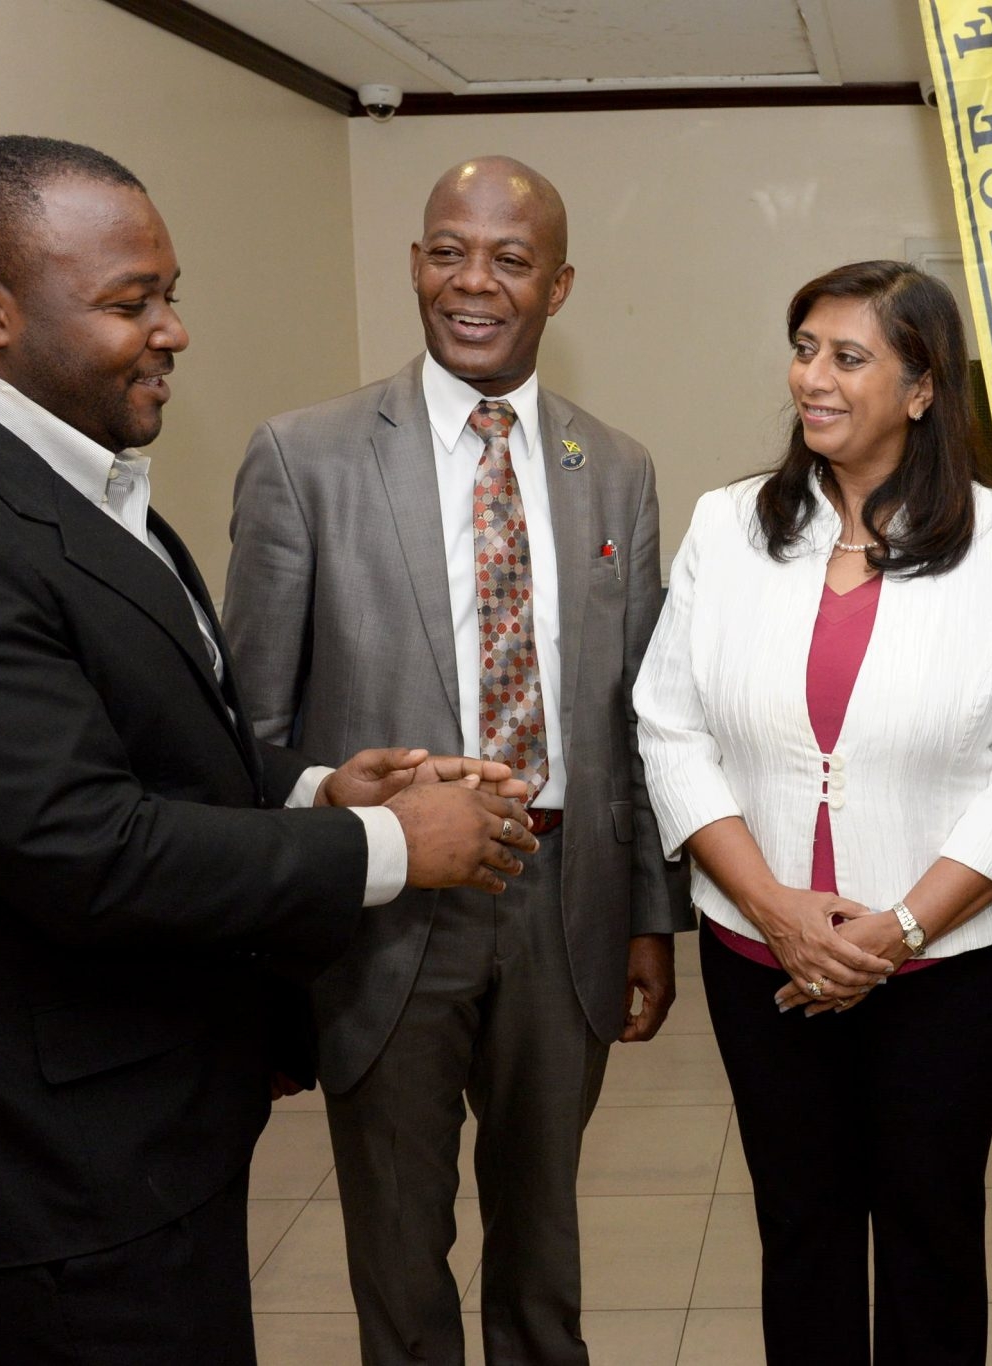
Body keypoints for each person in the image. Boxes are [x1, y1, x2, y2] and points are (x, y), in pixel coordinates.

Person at [0, 135, 534, 1366]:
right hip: (34, 1180)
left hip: (137, 1135)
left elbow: (150, 747)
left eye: (171, 293)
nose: (173, 331)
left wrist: (313, 786)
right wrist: (387, 843)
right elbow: (85, 848)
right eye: (130, 302)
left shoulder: (71, 481)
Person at [223, 154, 689, 1366]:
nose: (472, 282)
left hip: (563, 899)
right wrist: (269, 943)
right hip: (386, 907)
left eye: (509, 259)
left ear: (558, 286)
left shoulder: (617, 467)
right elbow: (247, 733)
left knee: (543, 1246)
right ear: (415, 264)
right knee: (397, 1248)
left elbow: (637, 716)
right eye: (446, 251)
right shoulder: (305, 456)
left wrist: (649, 915)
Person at [633, 259, 992, 1365]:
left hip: (945, 973)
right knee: (801, 1232)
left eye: (848, 357)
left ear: (922, 389)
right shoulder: (728, 526)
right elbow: (669, 725)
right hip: (762, 962)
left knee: (933, 1237)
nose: (812, 379)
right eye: (803, 350)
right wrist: (772, 908)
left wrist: (900, 930)